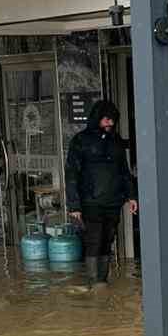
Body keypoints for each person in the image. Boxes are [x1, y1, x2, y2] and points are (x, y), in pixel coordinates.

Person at [64, 98, 137, 283]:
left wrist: (131, 196)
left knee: (107, 242)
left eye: (113, 120)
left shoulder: (116, 142)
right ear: (97, 118)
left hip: (112, 202)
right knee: (93, 242)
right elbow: (71, 174)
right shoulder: (80, 141)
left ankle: (101, 282)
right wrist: (74, 205)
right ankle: (94, 283)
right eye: (106, 119)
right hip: (90, 203)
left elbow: (124, 171)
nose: (110, 123)